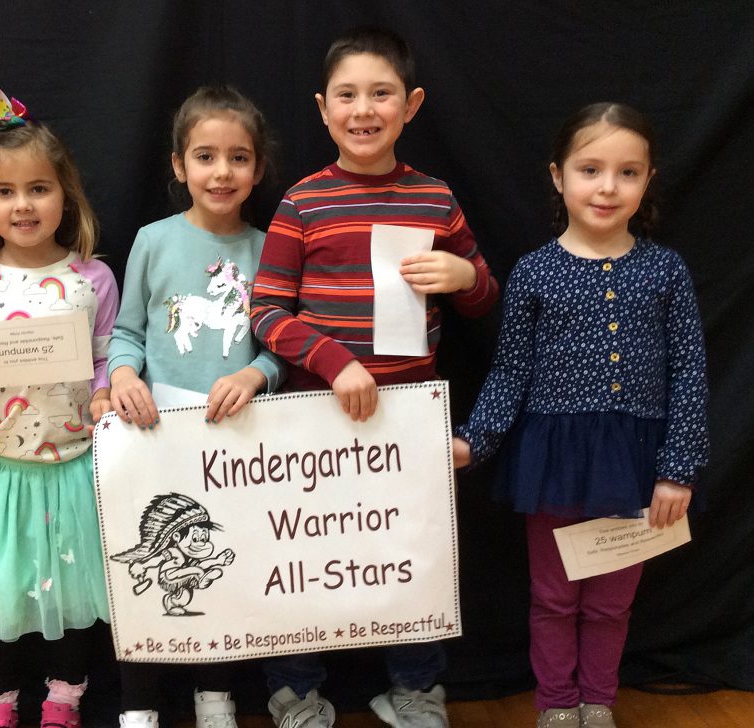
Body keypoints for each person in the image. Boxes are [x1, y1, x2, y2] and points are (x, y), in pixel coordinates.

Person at [249, 27, 498, 728]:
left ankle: (416, 686)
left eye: (381, 93)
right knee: (306, 550)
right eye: (348, 95)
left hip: (410, 414)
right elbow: (265, 311)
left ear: (412, 104)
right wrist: (334, 361)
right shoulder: (302, 202)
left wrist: (463, 275)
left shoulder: (435, 198)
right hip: (313, 416)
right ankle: (294, 688)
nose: (365, 109)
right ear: (323, 108)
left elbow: (484, 299)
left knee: (411, 550)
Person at [452, 102, 709, 728]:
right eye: (590, 169)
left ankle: (598, 701)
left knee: (611, 603)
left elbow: (690, 374)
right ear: (558, 175)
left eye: (627, 172)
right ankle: (557, 705)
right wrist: (473, 439)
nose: (607, 187)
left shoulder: (666, 270)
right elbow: (511, 369)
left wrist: (678, 468)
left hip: (635, 464)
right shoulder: (535, 272)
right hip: (554, 463)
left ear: (647, 181)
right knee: (554, 596)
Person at [0, 83, 119, 728]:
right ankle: (0, 700)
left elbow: (102, 361)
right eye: (5, 192)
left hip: (67, 465)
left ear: (65, 194)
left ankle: (65, 697)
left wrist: (104, 396)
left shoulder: (92, 279)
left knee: (71, 594)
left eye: (39, 188)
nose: (24, 204)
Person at [106, 85, 284, 728]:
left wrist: (257, 375)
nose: (222, 171)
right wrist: (124, 373)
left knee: (212, 563)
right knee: (146, 561)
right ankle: (139, 704)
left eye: (239, 157)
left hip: (233, 440)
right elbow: (125, 332)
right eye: (205, 156)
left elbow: (282, 345)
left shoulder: (270, 248)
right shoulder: (153, 240)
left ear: (258, 169)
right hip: (153, 435)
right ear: (180, 165)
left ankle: (216, 696)